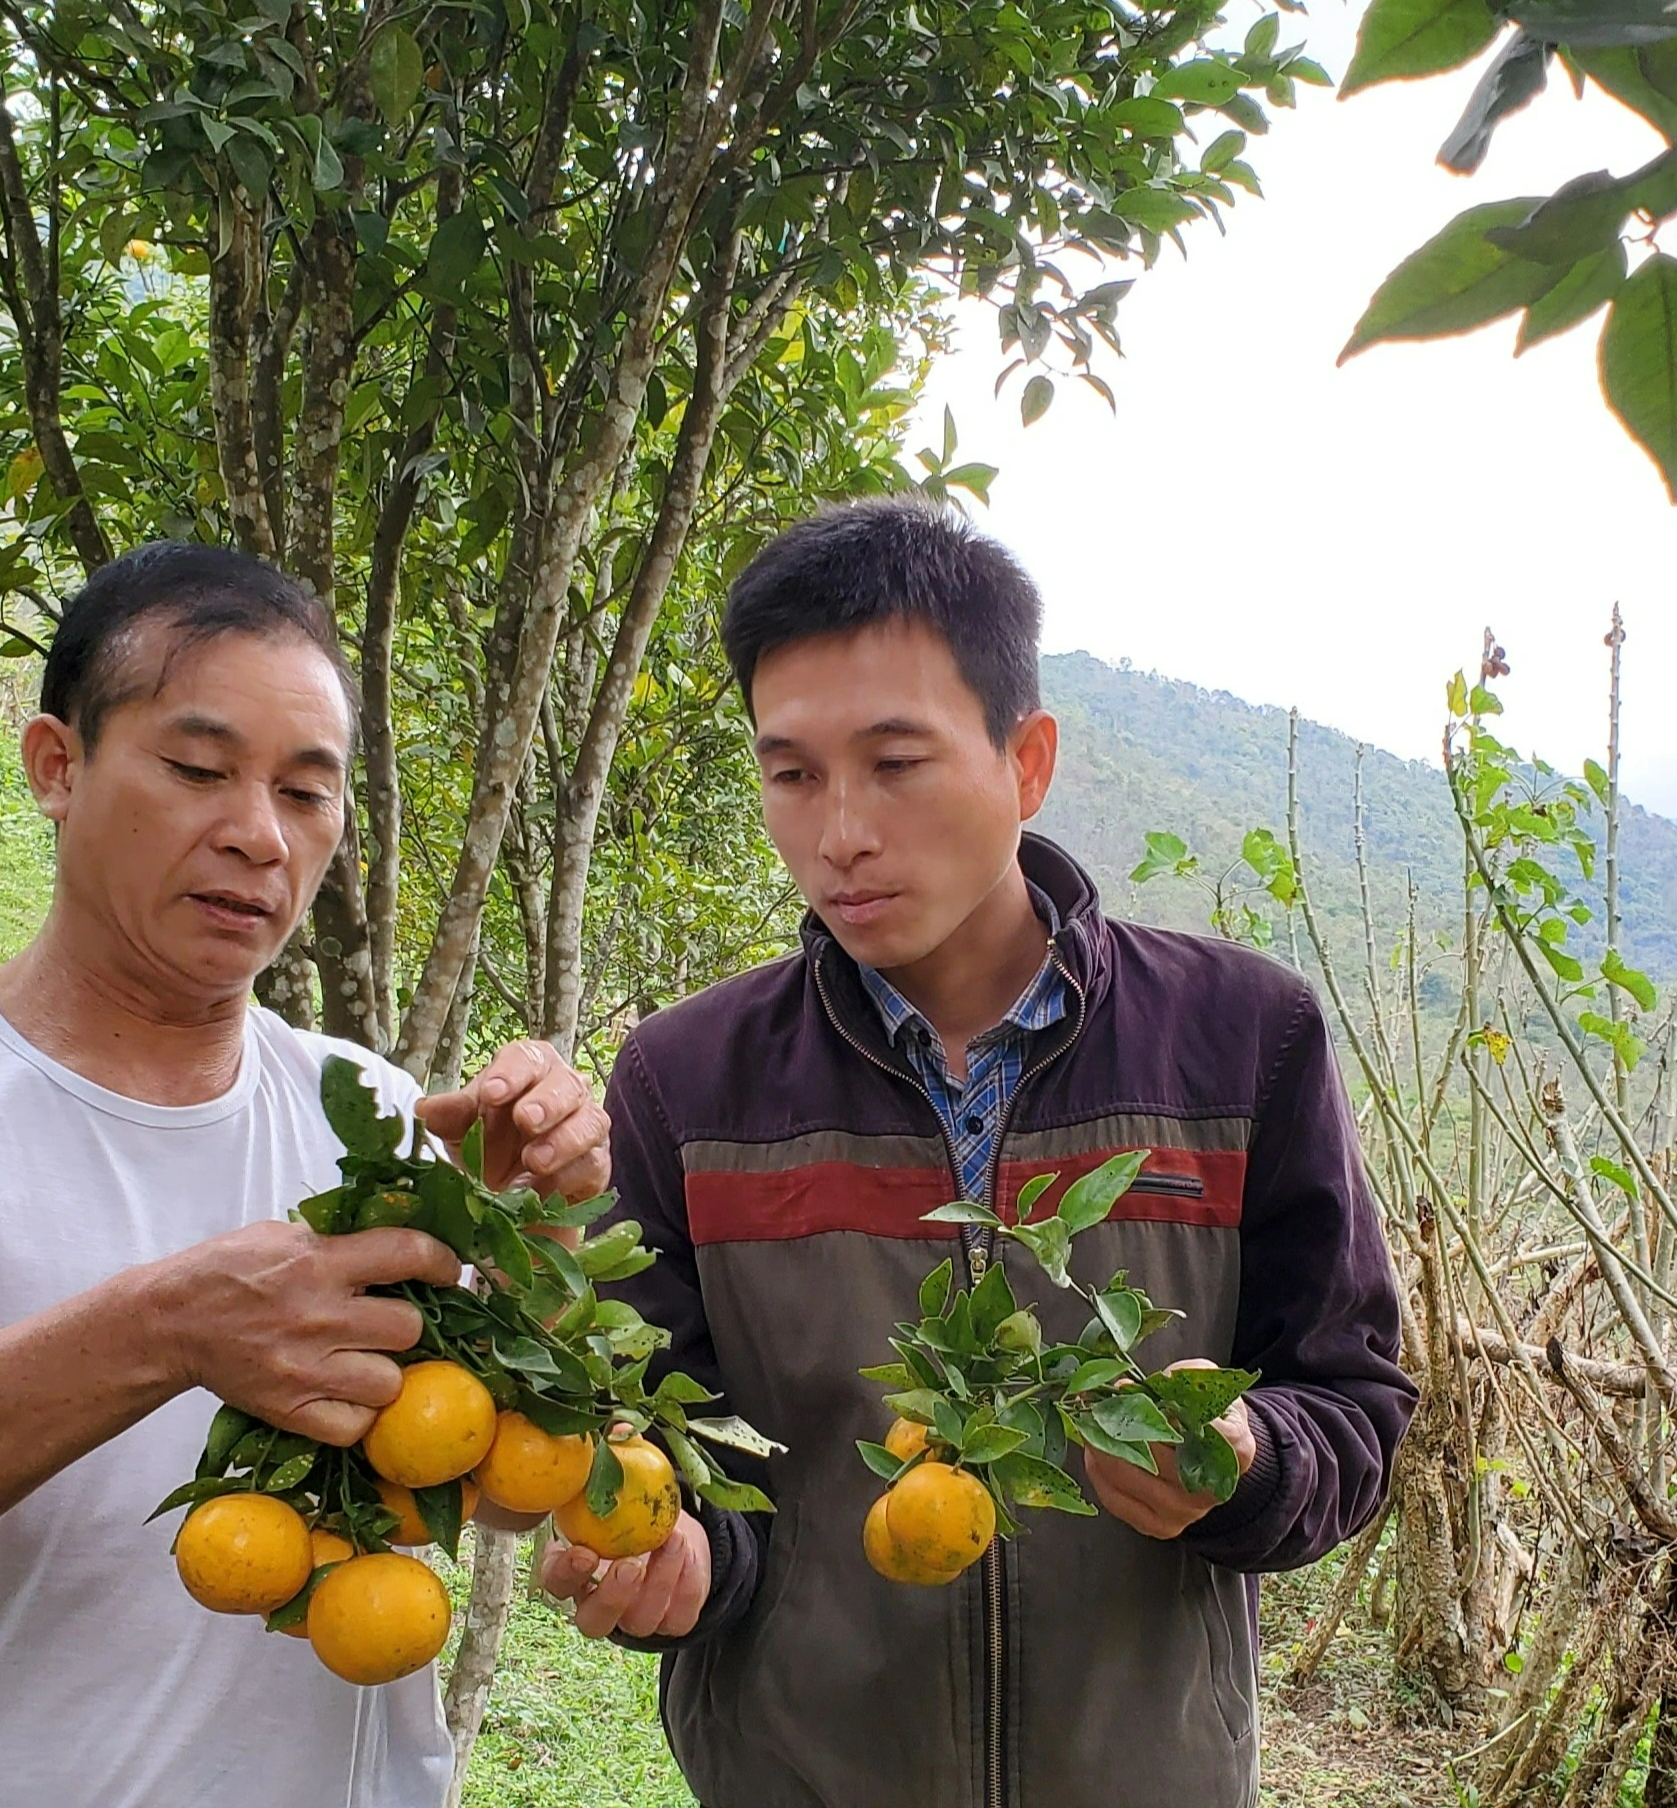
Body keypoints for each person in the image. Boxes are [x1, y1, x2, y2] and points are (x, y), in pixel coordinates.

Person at [0, 541, 610, 1808]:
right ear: (57, 766)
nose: (256, 835)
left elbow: (487, 1494)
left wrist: (531, 1231)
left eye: (305, 791)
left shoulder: (372, 1119)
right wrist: (164, 1326)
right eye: (196, 768)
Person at [535, 498, 1415, 1807]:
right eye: (792, 773)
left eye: (895, 763)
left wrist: (1248, 1460)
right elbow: (680, 1440)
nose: (838, 832)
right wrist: (677, 1560)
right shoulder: (687, 1082)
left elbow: (1352, 1406)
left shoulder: (1243, 1043)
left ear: (1027, 761)